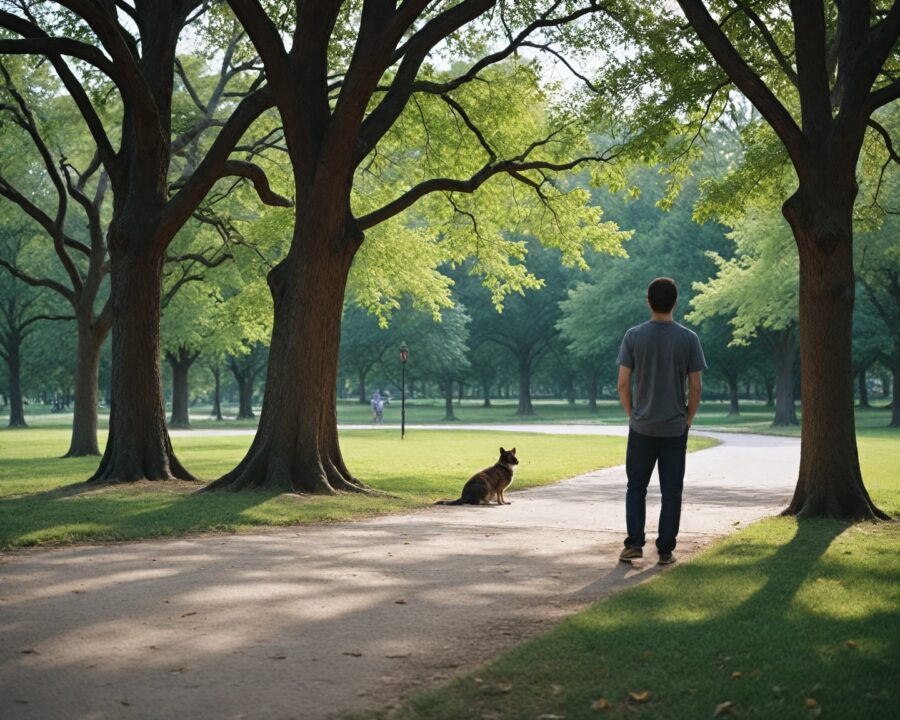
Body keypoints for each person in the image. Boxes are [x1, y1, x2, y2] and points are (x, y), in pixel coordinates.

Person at [616, 277, 706, 565]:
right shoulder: (689, 339)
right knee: (671, 491)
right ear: (675, 302)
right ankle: (665, 550)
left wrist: (632, 415)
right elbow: (696, 387)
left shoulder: (633, 336)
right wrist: (688, 419)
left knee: (636, 487)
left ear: (648, 301)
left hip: (641, 426)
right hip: (674, 427)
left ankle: (634, 544)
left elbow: (623, 384)